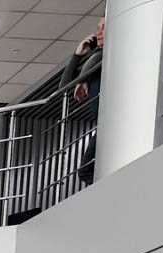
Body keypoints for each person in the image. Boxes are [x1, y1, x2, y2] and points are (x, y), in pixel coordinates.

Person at [60, 17, 104, 188]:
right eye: (98, 29)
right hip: (102, 125)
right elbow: (64, 87)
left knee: (86, 171)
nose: (98, 33)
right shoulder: (94, 63)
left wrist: (83, 79)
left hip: (108, 123)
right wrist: (78, 55)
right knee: (87, 170)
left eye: (104, 28)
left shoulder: (105, 58)